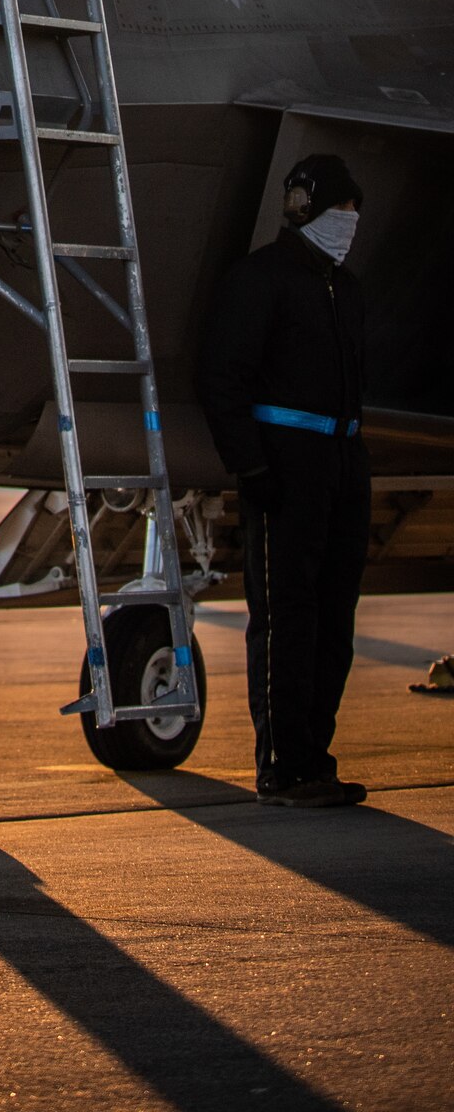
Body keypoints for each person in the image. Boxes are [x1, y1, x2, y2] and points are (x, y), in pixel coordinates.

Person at [196, 154, 371, 808]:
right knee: (287, 616)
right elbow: (221, 377)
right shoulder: (260, 281)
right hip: (287, 467)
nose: (348, 224)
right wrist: (253, 466)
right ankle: (283, 765)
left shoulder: (345, 290)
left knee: (335, 618)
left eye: (353, 213)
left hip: (343, 463)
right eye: (338, 212)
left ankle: (314, 756)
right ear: (306, 212)